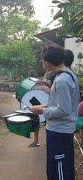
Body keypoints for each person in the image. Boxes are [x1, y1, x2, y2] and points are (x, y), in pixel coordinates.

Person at [30, 47, 79, 180]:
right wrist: (44, 106)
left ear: (48, 63)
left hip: (60, 132)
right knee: (55, 167)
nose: (43, 64)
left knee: (60, 168)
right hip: (59, 131)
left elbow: (63, 110)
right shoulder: (67, 74)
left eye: (43, 61)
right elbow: (60, 103)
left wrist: (41, 110)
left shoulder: (62, 81)